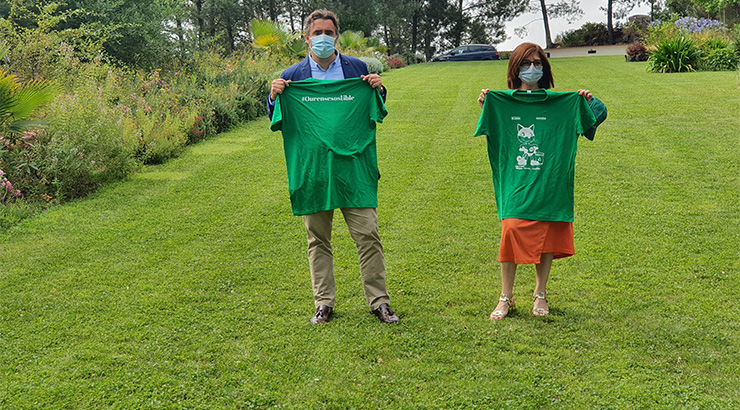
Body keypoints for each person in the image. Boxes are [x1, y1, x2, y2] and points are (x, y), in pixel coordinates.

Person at [267, 9, 398, 325]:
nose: (323, 38)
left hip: (353, 167)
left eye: (328, 32)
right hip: (314, 172)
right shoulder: (293, 76)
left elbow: (376, 110)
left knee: (368, 234)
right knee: (317, 240)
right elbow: (276, 119)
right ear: (306, 37)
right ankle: (323, 303)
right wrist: (274, 98)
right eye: (317, 33)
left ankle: (379, 302)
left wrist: (378, 89)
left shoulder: (357, 69)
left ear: (337, 36)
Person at [474, 42, 607, 320]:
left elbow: (598, 115)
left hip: (550, 180)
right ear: (515, 68)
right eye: (526, 63)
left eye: (537, 64)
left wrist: (590, 101)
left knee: (547, 234)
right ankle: (505, 296)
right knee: (510, 228)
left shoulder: (563, 103)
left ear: (544, 69)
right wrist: (488, 104)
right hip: (515, 179)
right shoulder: (500, 101)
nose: (532, 69)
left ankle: (540, 294)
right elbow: (490, 126)